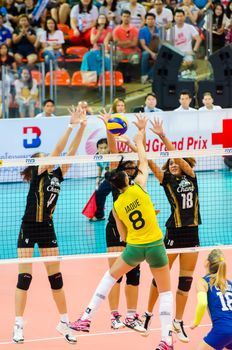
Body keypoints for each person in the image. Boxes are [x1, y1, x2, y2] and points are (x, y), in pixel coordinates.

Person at [70, 125, 174, 350]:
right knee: (165, 292)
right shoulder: (140, 187)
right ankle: (166, 339)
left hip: (135, 248)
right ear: (127, 179)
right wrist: (138, 140)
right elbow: (144, 160)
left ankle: (86, 317)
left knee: (109, 277)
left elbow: (124, 234)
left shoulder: (117, 205)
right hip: (156, 245)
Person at [13, 106, 87, 344]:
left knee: (56, 278)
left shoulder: (57, 175)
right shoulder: (38, 172)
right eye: (43, 156)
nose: (47, 156)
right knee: (24, 278)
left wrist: (82, 128)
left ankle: (64, 323)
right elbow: (56, 151)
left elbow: (71, 151)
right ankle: (18, 325)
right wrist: (70, 125)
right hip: (29, 226)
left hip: (47, 228)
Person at [142, 118, 201, 344]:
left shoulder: (192, 178)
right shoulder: (166, 180)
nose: (174, 164)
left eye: (177, 163)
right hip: (174, 234)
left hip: (192, 234)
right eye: (171, 164)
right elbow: (151, 164)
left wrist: (163, 136)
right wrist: (142, 141)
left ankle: (178, 321)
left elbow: (178, 158)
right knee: (161, 277)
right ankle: (147, 315)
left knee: (185, 282)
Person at [190, 249, 232, 350]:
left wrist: (196, 322)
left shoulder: (203, 282)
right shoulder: (229, 283)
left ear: (207, 263)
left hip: (223, 329)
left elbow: (202, 303)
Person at [139, 13, 160, 84]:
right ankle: (143, 75)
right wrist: (152, 53)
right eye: (148, 19)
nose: (150, 21)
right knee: (145, 54)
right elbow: (143, 45)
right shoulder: (142, 30)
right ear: (145, 21)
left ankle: (148, 75)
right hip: (147, 49)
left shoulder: (159, 30)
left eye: (152, 19)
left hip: (157, 49)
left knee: (162, 57)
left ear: (155, 20)